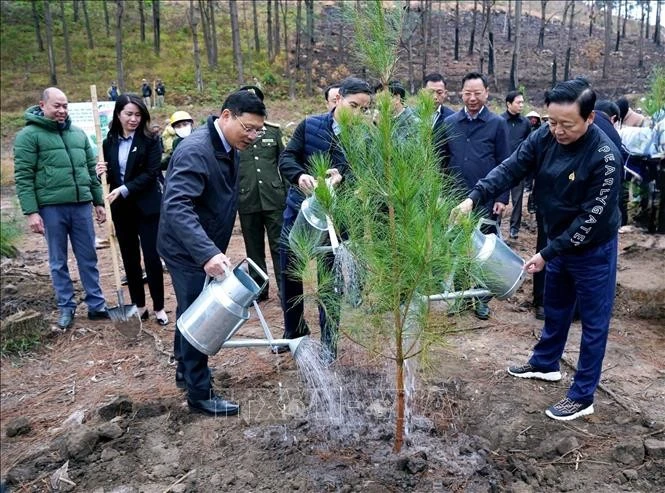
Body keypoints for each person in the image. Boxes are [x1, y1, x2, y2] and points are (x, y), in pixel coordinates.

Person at [453, 77, 621, 421]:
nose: (557, 131)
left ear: (589, 119)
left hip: (592, 248)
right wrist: (474, 198)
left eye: (567, 124)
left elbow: (589, 221)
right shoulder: (545, 135)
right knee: (554, 305)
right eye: (552, 121)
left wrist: (547, 253)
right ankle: (546, 363)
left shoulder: (605, 158)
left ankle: (582, 394)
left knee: (593, 321)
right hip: (556, 234)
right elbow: (512, 167)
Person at [158, 90, 267, 416]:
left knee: (189, 308)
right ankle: (199, 394)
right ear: (226, 117)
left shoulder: (228, 145)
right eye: (247, 128)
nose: (253, 136)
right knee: (200, 315)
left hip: (201, 243)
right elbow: (177, 205)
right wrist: (206, 253)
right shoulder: (196, 150)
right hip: (186, 249)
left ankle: (184, 372)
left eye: (258, 130)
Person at [278, 77, 373, 360]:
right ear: (338, 99)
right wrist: (300, 175)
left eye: (364, 109)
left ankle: (329, 345)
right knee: (290, 274)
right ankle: (293, 334)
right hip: (300, 212)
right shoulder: (310, 126)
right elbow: (287, 159)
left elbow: (366, 175)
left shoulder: (364, 137)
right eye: (353, 106)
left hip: (337, 220)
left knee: (329, 282)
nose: (358, 114)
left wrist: (345, 177)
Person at [14, 87, 109, 329]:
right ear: (42, 105)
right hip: (51, 208)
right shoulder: (29, 136)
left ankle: (96, 305)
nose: (62, 110)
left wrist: (98, 201)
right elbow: (23, 176)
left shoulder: (78, 135)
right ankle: (66, 307)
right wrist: (31, 212)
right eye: (57, 105)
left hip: (80, 207)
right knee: (58, 260)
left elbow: (90, 171)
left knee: (88, 256)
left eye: (65, 106)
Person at [442, 72, 510, 320]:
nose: (472, 98)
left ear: (486, 93)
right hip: (456, 200)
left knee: (486, 254)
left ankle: (481, 299)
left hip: (487, 200)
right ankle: (460, 297)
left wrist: (502, 197)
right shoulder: (450, 123)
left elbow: (507, 163)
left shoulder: (497, 124)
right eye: (468, 93)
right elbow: (440, 162)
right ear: (460, 94)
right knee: (459, 250)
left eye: (477, 93)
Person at [96, 95, 168, 326]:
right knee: (130, 258)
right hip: (122, 210)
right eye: (129, 114)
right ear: (118, 114)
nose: (133, 119)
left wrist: (125, 189)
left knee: (152, 257)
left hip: (147, 207)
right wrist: (99, 172)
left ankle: (159, 306)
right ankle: (139, 305)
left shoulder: (151, 139)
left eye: (138, 115)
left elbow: (151, 172)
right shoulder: (108, 142)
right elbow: (108, 175)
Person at [237, 85, 286, 302]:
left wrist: (287, 192)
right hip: (247, 197)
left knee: (279, 245)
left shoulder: (273, 131)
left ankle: (286, 289)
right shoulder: (235, 134)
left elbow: (283, 163)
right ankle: (259, 288)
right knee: (253, 248)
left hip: (274, 198)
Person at [501, 91, 532, 240]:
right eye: (518, 102)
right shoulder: (499, 121)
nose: (521, 105)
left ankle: (514, 228)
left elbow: (528, 144)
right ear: (508, 104)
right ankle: (496, 224)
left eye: (522, 102)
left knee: (518, 199)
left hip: (518, 167)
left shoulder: (525, 123)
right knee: (498, 197)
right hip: (501, 166)